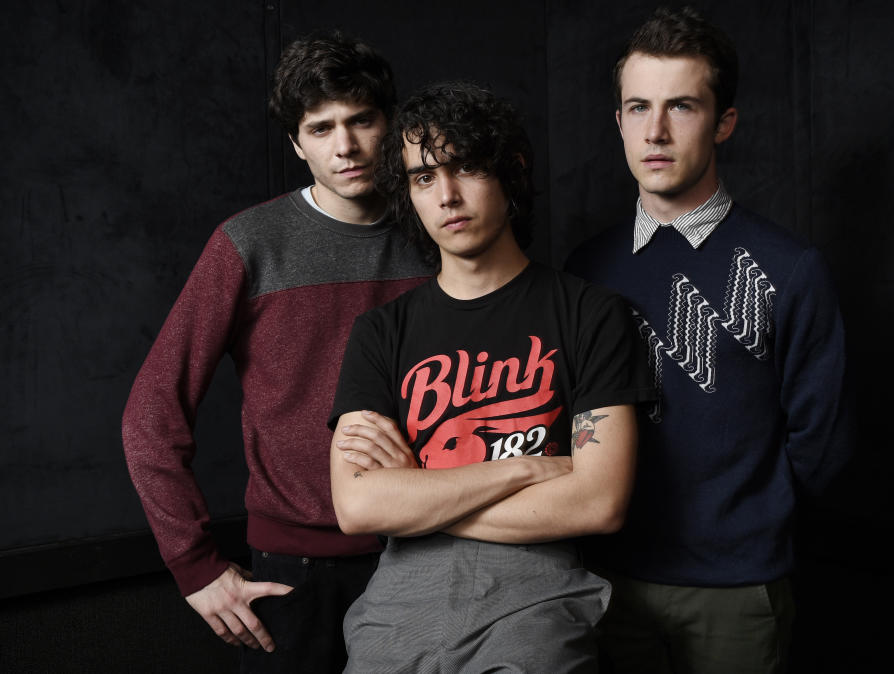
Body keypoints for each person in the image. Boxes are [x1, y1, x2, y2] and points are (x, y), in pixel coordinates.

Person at [121, 33, 432, 672]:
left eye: (361, 121)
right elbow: (151, 411)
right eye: (320, 129)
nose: (344, 146)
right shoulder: (249, 243)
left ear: (391, 123)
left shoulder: (440, 229)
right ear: (297, 144)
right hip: (297, 573)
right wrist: (194, 565)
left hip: (432, 548)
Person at [326, 81, 656, 673]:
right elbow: (358, 505)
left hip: (537, 594)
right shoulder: (381, 332)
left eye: (468, 167)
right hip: (400, 601)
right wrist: (528, 469)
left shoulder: (590, 313)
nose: (447, 195)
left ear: (512, 172)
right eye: (424, 177)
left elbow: (600, 501)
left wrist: (418, 492)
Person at [566, 7, 853, 673]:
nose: (656, 131)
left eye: (683, 107)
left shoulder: (789, 268)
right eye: (638, 107)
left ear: (723, 120)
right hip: (609, 582)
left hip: (739, 589)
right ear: (618, 122)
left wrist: (749, 523)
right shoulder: (586, 267)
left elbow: (823, 441)